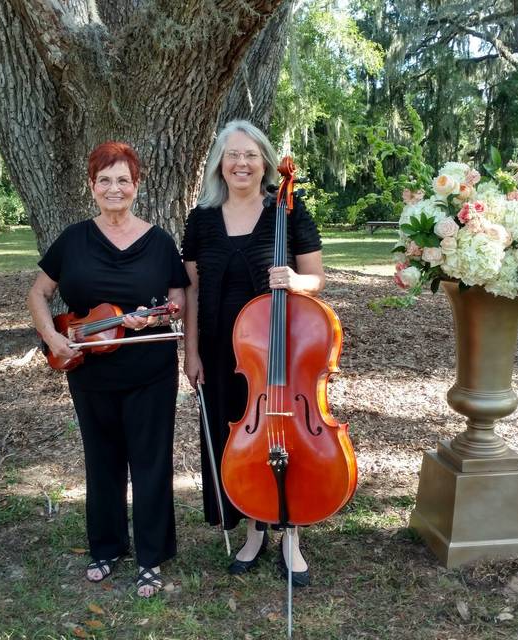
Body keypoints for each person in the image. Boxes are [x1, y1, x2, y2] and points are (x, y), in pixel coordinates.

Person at [27, 141, 188, 597]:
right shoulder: (74, 238)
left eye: (123, 180)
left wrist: (157, 315)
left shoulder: (159, 242)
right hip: (89, 367)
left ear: (137, 187)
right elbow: (38, 294)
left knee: (151, 461)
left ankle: (151, 556)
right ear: (92, 187)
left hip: (150, 369)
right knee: (102, 460)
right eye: (104, 181)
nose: (113, 188)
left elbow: (178, 302)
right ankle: (107, 546)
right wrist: (52, 336)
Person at [181, 120, 325, 587]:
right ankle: (253, 529)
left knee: (285, 437)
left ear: (264, 161)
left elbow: (316, 279)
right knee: (237, 440)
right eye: (231, 155)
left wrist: (296, 282)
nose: (241, 163)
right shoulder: (201, 218)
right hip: (225, 352)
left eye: (250, 155)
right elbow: (193, 290)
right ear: (219, 164)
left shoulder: (288, 208)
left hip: (278, 353)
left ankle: (291, 536)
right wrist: (193, 351)